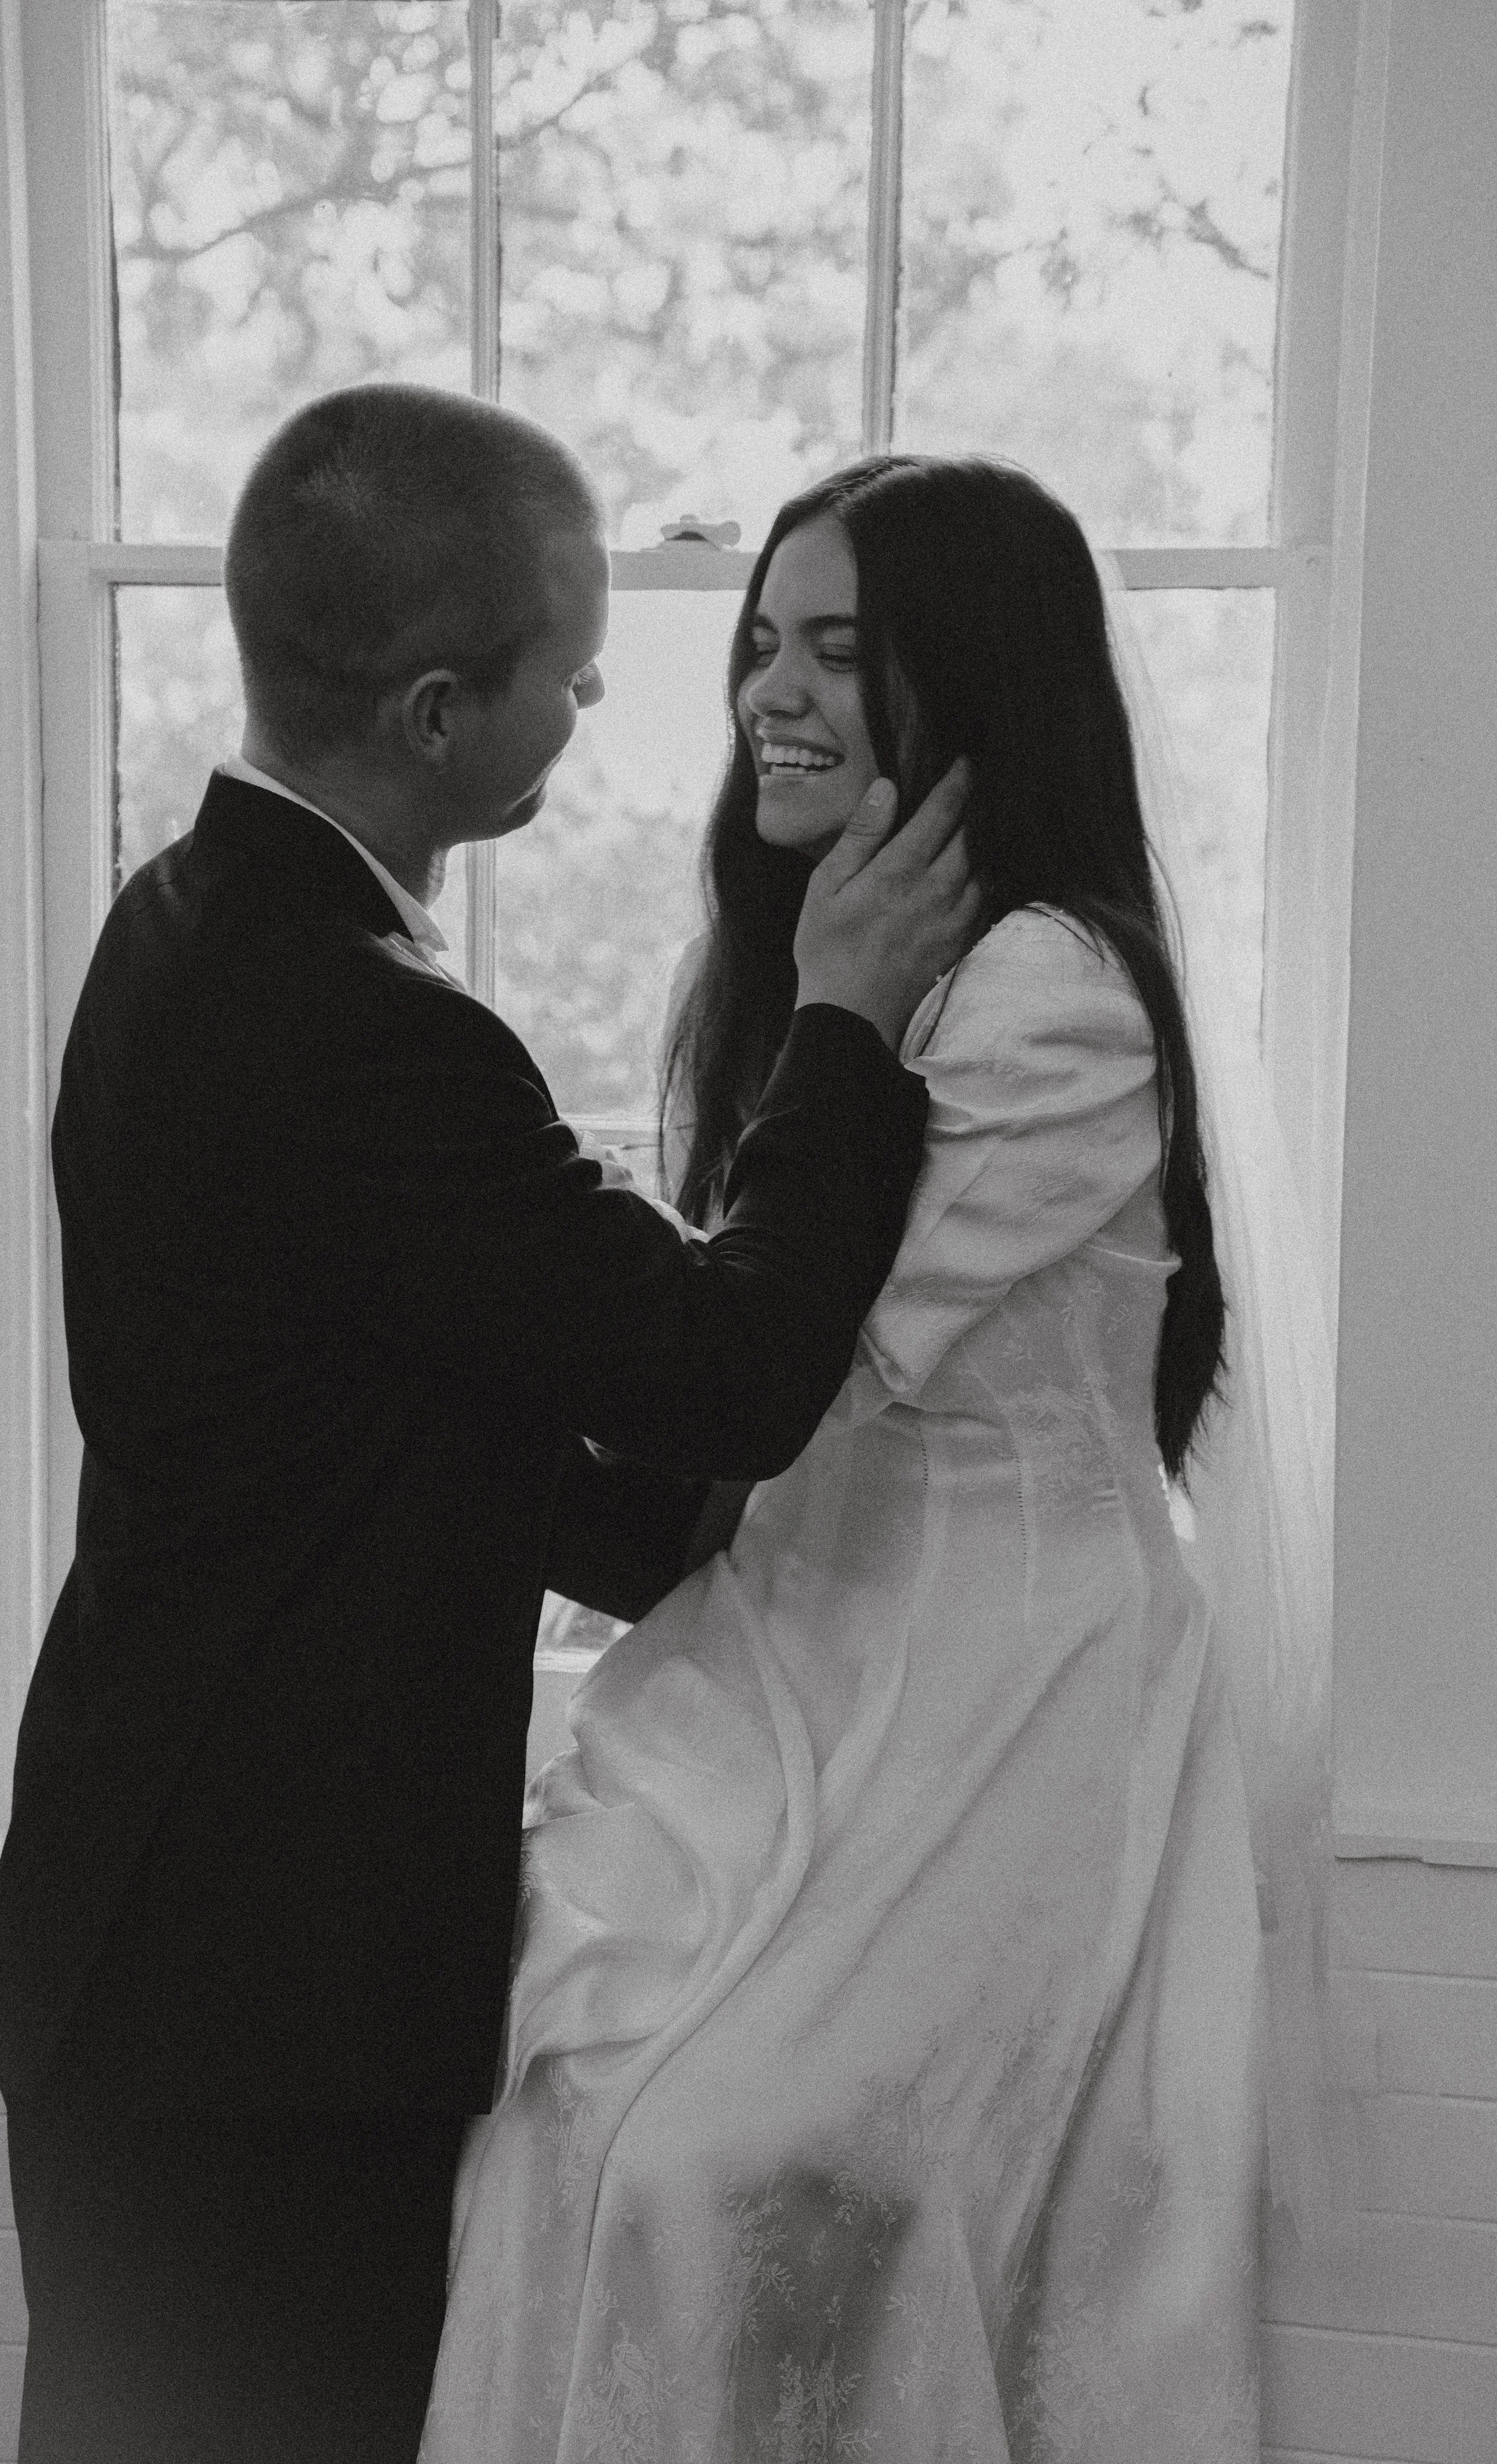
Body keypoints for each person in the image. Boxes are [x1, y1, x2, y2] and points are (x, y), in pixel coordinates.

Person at [0, 389, 984, 2462]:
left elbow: (395, 1408)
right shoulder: (372, 1025)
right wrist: (846, 1018)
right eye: (573, 665)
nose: (612, 694)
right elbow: (715, 1364)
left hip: (154, 1948)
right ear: (440, 711)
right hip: (264, 1992)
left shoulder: (180, 916)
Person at [421, 456, 1273, 2463]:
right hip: (811, 1635)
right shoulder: (835, 966)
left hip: (993, 1681)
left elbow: (777, 1357)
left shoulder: (1046, 987)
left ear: (964, 687)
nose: (768, 697)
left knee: (733, 2157)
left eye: (837, 651)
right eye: (758, 644)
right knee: (570, 2111)